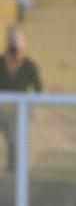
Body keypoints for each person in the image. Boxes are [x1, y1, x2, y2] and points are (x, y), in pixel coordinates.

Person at [0, 26, 42, 175]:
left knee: (14, 139)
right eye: (11, 39)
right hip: (1, 107)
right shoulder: (1, 62)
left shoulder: (29, 65)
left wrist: (33, 107)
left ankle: (14, 169)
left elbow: (38, 88)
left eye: (16, 39)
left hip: (17, 109)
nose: (13, 43)